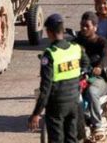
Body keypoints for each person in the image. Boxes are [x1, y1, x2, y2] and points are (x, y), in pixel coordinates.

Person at [28, 14, 88, 143]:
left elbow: (45, 88)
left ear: (49, 32)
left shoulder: (50, 54)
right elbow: (86, 64)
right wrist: (78, 77)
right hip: (74, 102)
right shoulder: (76, 49)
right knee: (72, 139)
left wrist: (36, 113)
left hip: (57, 106)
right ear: (63, 30)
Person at [73, 12, 107, 133]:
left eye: (87, 26)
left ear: (95, 27)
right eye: (82, 25)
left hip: (97, 78)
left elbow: (105, 57)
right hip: (79, 76)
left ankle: (97, 124)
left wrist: (99, 67)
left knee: (91, 92)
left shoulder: (102, 42)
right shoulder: (76, 42)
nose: (83, 28)